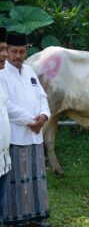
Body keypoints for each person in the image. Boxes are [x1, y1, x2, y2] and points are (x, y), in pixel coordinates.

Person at [0, 33, 51, 226]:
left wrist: (44, 116)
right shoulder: (2, 72)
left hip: (35, 136)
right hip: (15, 136)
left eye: (22, 52)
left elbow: (42, 96)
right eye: (13, 51)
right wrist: (32, 121)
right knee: (16, 183)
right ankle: (16, 220)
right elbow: (8, 106)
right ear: (7, 51)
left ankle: (37, 217)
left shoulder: (29, 70)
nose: (17, 56)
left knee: (36, 179)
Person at [0, 27, 11, 227]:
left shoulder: (1, 79)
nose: (5, 54)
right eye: (0, 49)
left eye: (5, 49)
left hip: (3, 161)